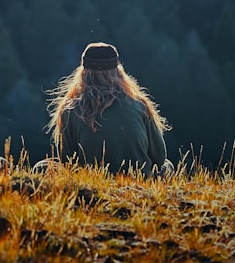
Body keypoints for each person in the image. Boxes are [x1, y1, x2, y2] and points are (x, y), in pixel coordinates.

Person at [43, 42, 173, 178]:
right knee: (167, 165)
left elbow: (67, 161)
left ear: (83, 72)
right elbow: (159, 157)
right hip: (140, 181)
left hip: (90, 182)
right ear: (118, 71)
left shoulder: (70, 109)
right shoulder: (139, 105)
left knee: (42, 167)